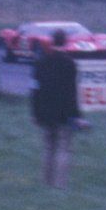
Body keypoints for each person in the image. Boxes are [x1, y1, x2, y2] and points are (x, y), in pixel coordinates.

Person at [30, 28, 83, 188]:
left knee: (48, 147)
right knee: (63, 148)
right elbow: (72, 91)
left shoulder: (41, 62)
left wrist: (35, 112)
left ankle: (46, 182)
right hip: (65, 112)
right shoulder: (70, 64)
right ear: (66, 42)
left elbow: (35, 89)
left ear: (52, 41)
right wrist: (76, 115)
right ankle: (60, 185)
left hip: (45, 112)